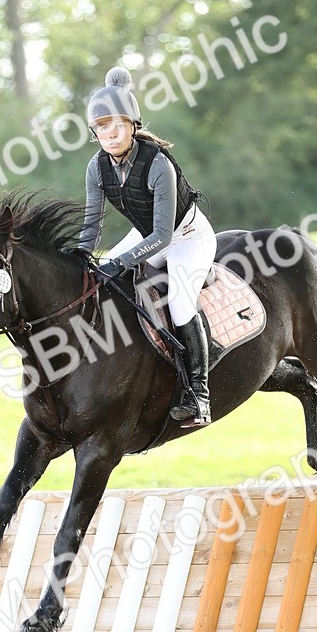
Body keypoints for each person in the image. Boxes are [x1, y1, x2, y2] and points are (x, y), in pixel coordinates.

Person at [73, 65, 217, 428]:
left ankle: (199, 395)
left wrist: (118, 262)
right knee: (99, 274)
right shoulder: (96, 168)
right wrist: (77, 256)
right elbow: (92, 226)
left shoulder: (157, 164)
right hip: (146, 233)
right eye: (102, 127)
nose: (110, 133)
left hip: (186, 237)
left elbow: (162, 237)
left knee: (181, 303)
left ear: (133, 125)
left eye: (117, 124)